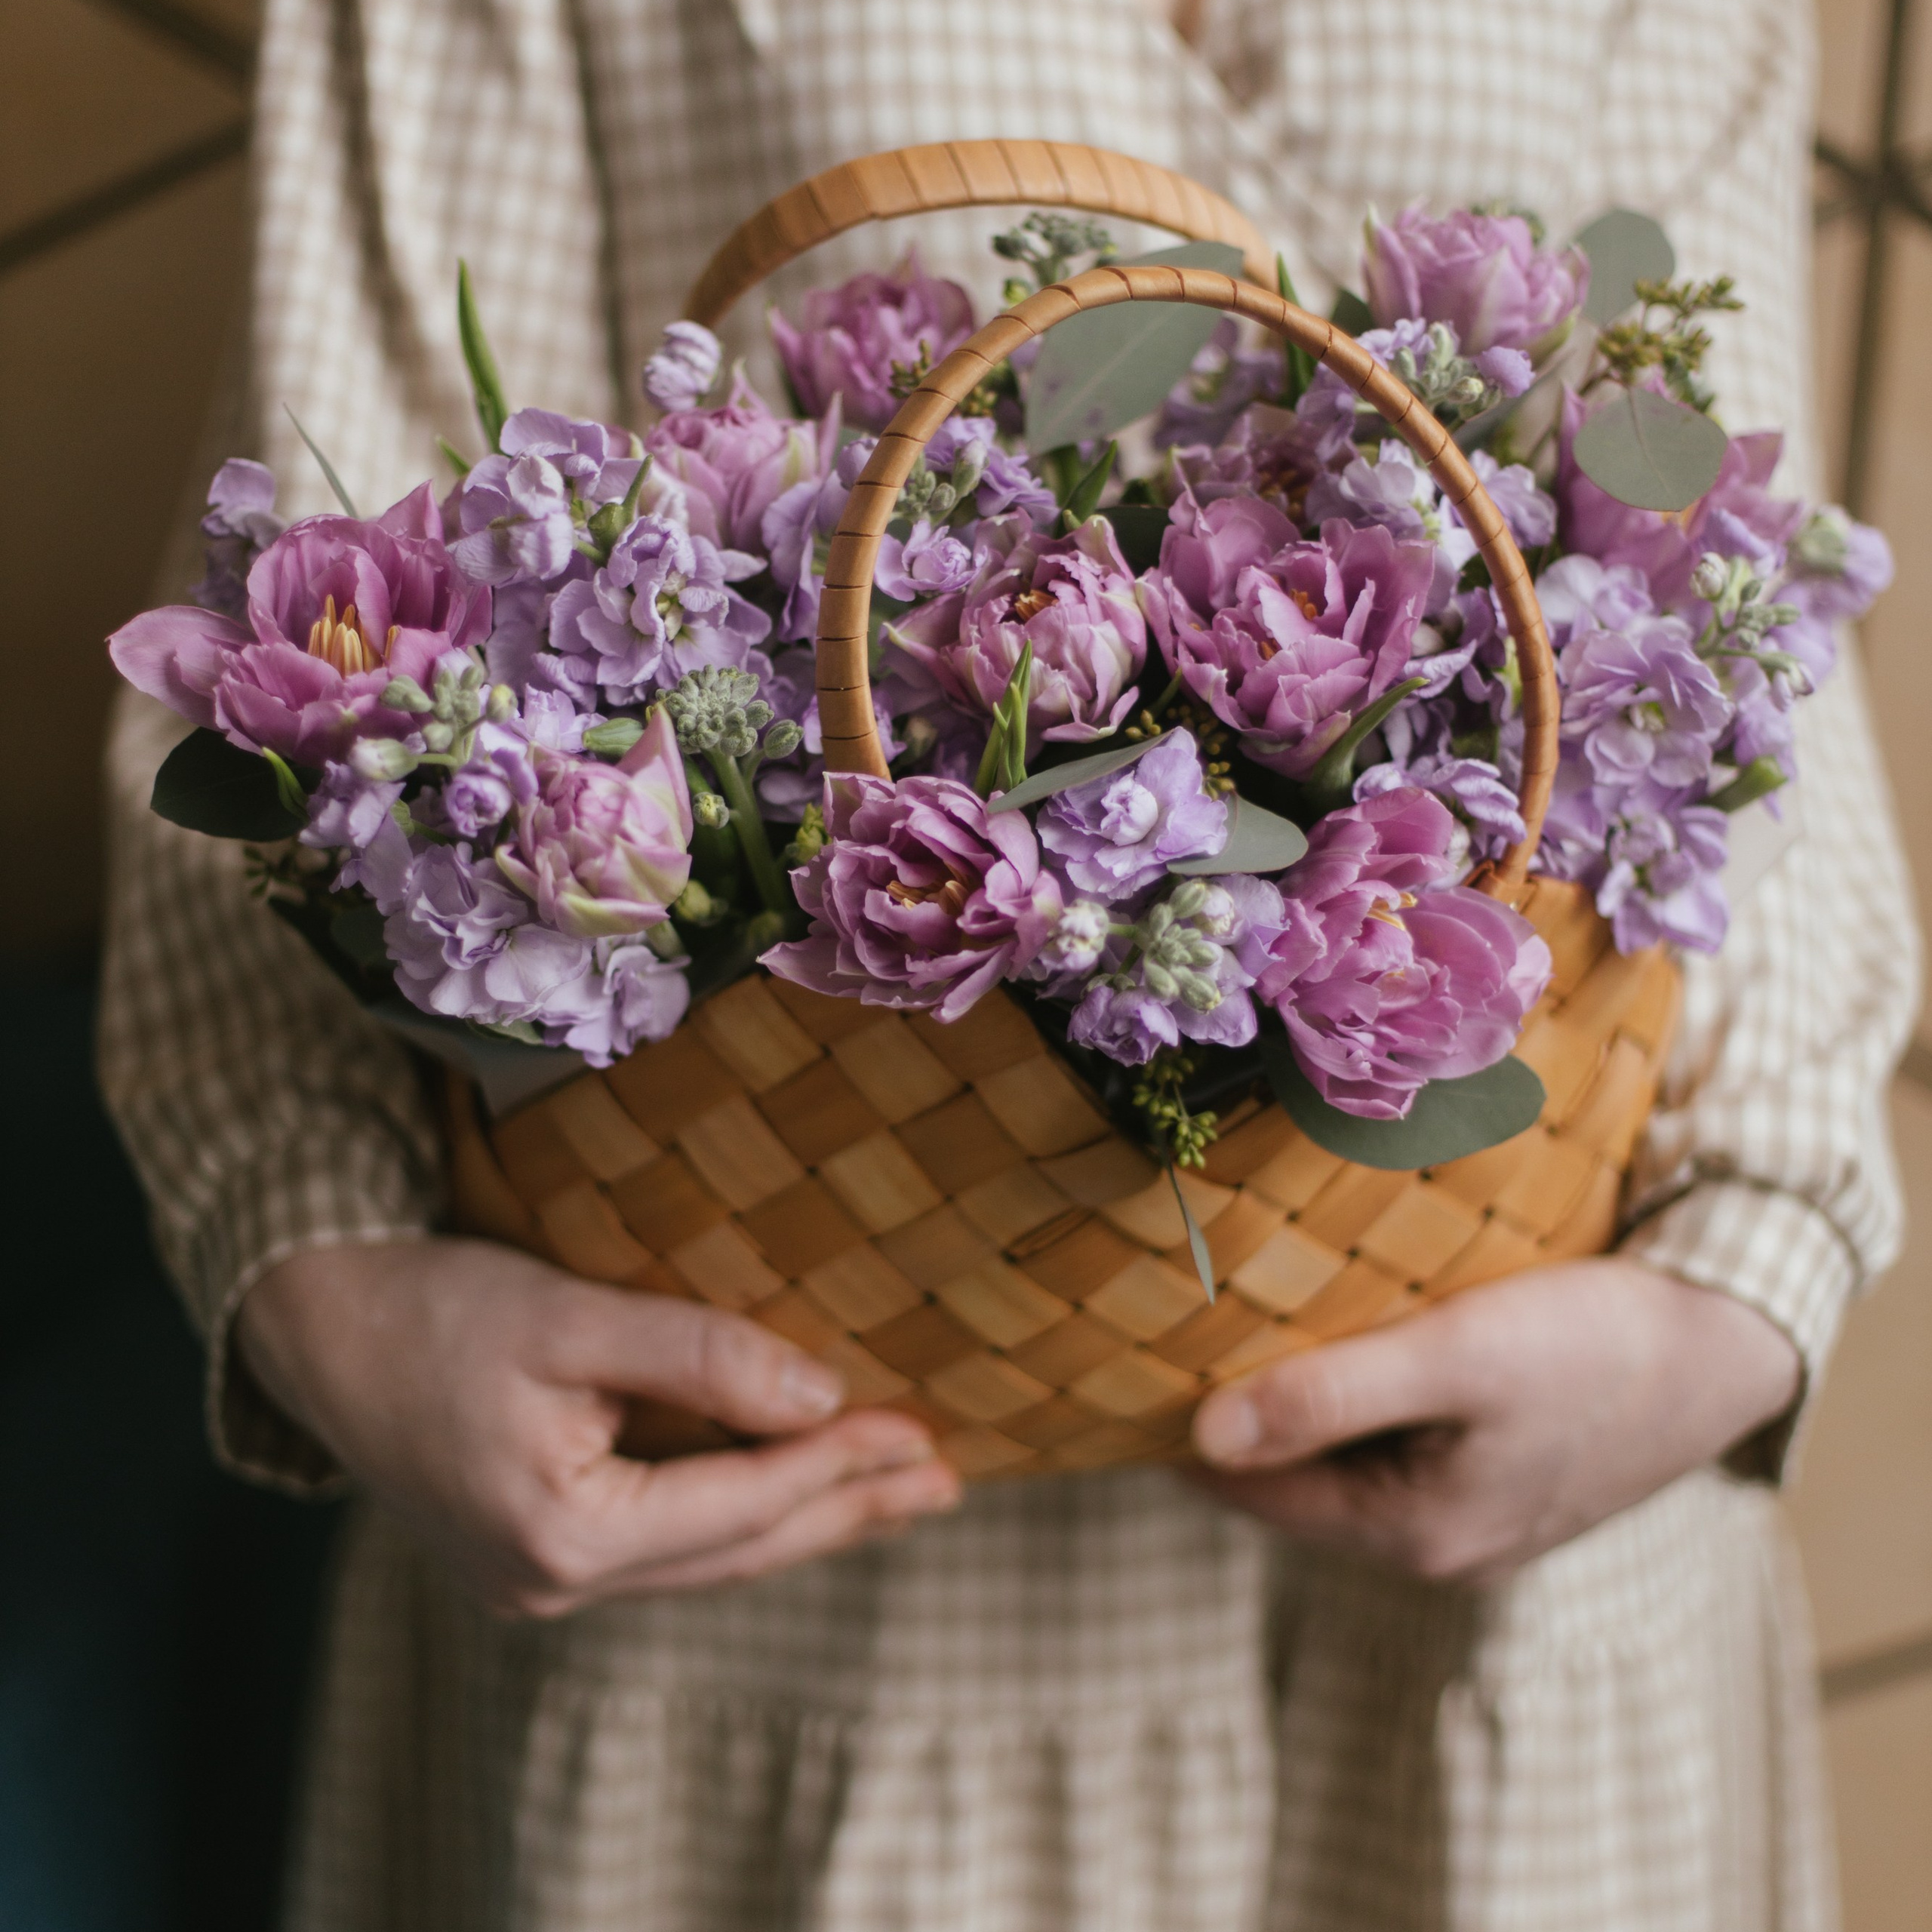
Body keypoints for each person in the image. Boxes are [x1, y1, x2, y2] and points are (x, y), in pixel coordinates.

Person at [98, 2, 1919, 1926]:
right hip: (771, 1615)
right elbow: (299, 665)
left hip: (1508, 1599)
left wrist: (1740, 1297)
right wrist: (328, 1284)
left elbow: (1750, 615)